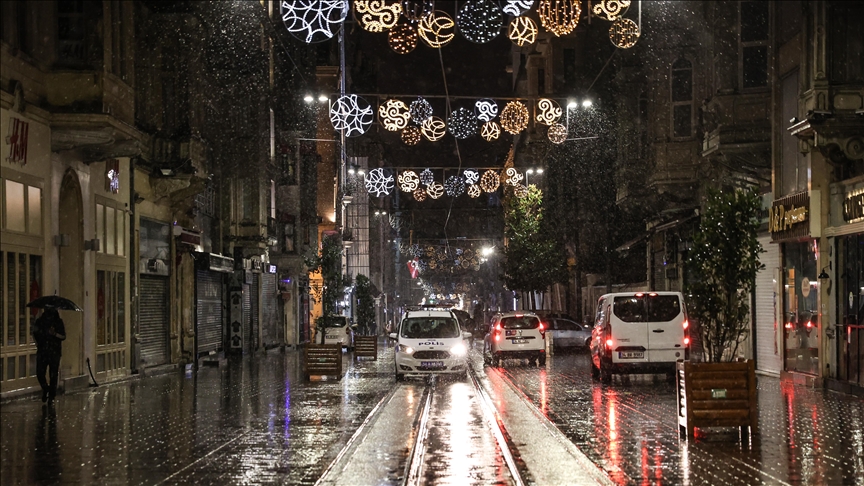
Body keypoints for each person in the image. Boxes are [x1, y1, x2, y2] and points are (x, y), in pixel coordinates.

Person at [32, 308, 66, 402]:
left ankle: (51, 396)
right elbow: (35, 333)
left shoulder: (58, 322)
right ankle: (46, 389)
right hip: (43, 351)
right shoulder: (40, 321)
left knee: (53, 375)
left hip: (54, 352)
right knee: (40, 373)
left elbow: (63, 336)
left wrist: (54, 334)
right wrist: (39, 342)